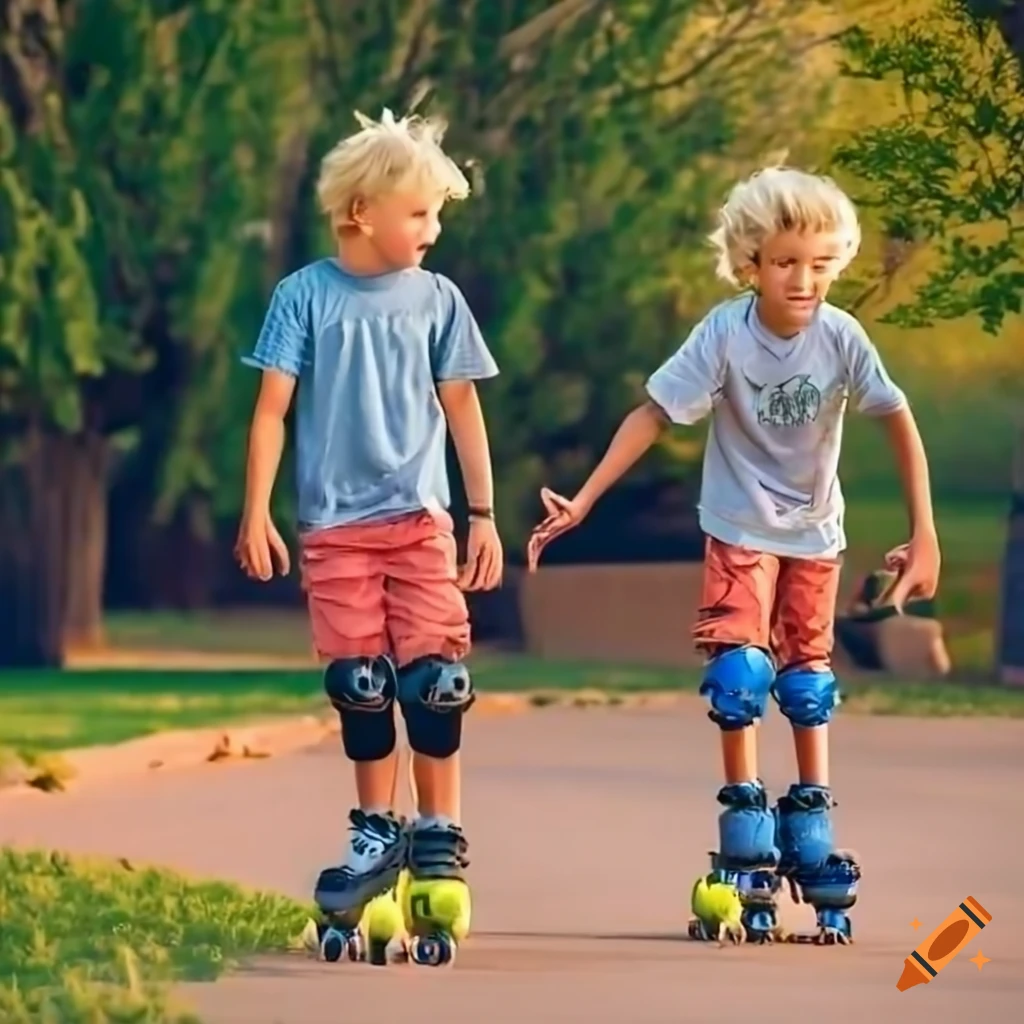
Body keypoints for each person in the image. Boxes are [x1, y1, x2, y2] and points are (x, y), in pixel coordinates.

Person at [526, 166, 941, 945]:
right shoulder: (724, 333)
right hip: (739, 527)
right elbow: (654, 412)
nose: (805, 280)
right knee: (741, 672)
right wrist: (583, 500)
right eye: (787, 262)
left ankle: (811, 813)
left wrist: (926, 532)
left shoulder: (842, 337)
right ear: (751, 263)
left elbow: (898, 417)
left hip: (816, 532)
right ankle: (746, 810)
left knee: (809, 680)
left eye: (821, 264)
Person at [235, 108, 502, 930]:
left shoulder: (439, 300)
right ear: (361, 212)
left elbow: (462, 409)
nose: (433, 229)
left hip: (420, 521)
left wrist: (483, 513)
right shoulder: (304, 296)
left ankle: (439, 834)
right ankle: (375, 831)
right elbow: (272, 410)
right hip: (334, 529)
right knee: (361, 687)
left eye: (437, 213)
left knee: (436, 682)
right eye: (419, 212)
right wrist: (258, 511)